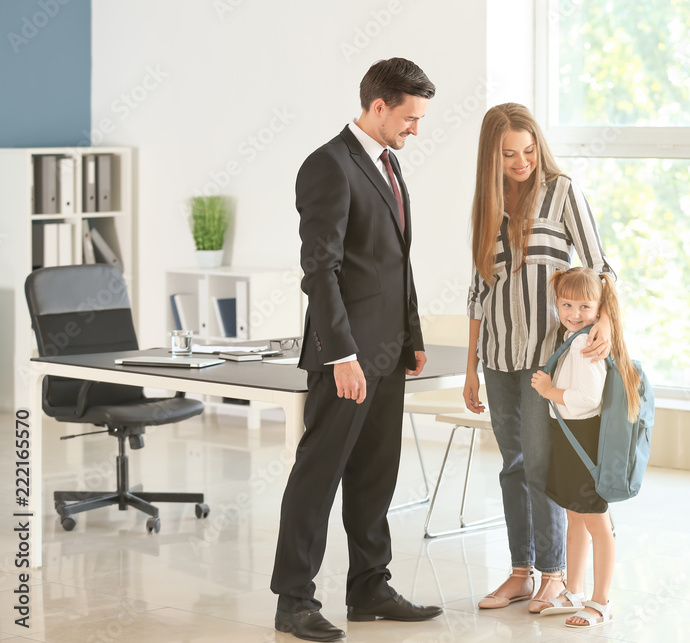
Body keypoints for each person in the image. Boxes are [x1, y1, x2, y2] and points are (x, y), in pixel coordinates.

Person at [270, 58, 442, 642]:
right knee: (318, 477)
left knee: (375, 476)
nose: (415, 129)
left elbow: (396, 262)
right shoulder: (327, 166)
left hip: (389, 354)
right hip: (345, 357)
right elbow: (321, 271)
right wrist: (341, 354)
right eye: (410, 118)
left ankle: (370, 587)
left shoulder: (389, 166)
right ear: (378, 107)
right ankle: (293, 601)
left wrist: (412, 337)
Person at [464, 103, 615, 613]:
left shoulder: (562, 191)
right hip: (498, 357)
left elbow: (599, 267)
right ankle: (520, 573)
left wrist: (607, 326)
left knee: (538, 465)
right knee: (512, 465)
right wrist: (470, 370)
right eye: (508, 154)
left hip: (546, 359)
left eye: (528, 151)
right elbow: (478, 292)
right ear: (492, 154)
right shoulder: (485, 203)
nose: (521, 161)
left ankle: (554, 575)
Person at [529, 267, 642, 628]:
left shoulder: (583, 343)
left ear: (599, 308)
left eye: (584, 306)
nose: (574, 313)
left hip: (583, 440)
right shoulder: (575, 335)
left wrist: (549, 392)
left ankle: (600, 601)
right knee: (574, 515)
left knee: (596, 522)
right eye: (566, 304)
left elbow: (586, 399)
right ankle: (573, 591)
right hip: (572, 439)